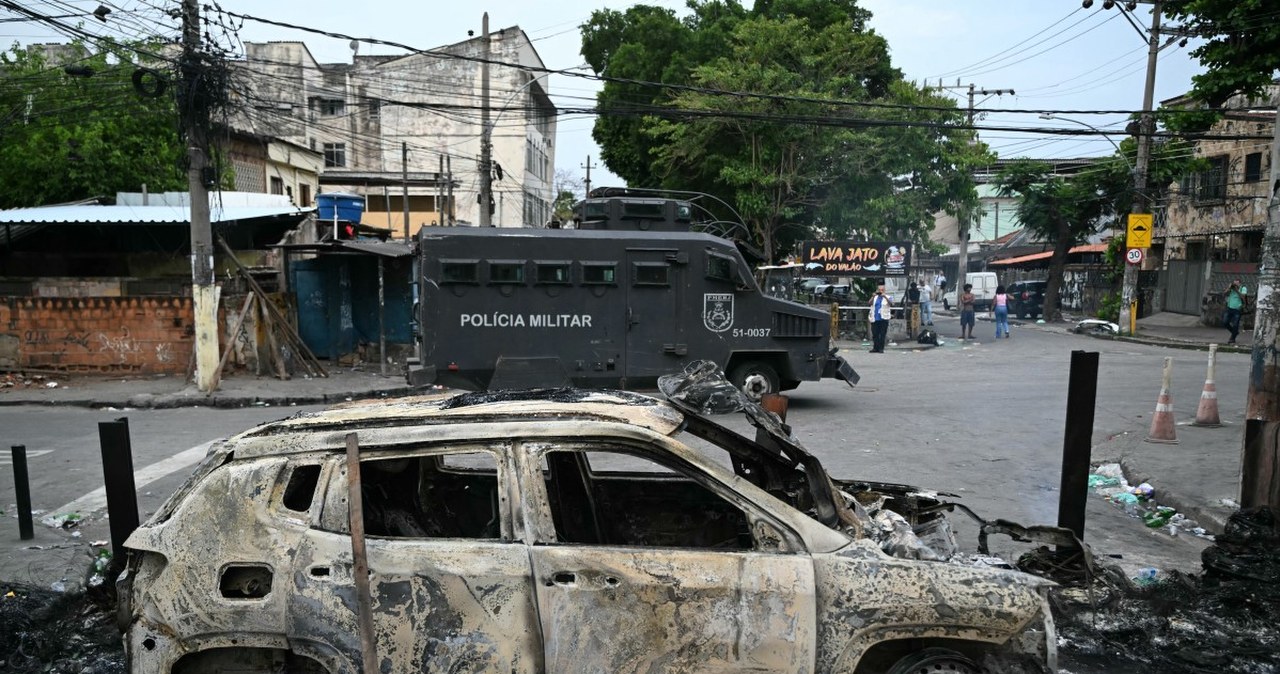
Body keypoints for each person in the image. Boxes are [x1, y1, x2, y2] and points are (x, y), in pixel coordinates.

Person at [869, 284, 891, 353]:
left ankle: (881, 348)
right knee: (875, 334)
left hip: (884, 318)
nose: (880, 291)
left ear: (884, 291)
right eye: (879, 290)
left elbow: (891, 304)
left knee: (882, 334)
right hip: (875, 318)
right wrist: (873, 296)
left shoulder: (888, 297)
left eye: (882, 290)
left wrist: (885, 297)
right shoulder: (875, 297)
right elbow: (869, 303)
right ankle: (875, 348)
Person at [1225, 280, 1247, 345]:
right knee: (1225, 322)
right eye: (1234, 283)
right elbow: (1225, 294)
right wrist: (1229, 288)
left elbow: (1243, 297)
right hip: (1229, 308)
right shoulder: (1231, 289)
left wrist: (1236, 290)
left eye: (1236, 283)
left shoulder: (1243, 288)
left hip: (1237, 309)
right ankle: (1235, 332)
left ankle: (1232, 338)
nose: (1235, 285)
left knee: (1235, 324)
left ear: (1240, 283)